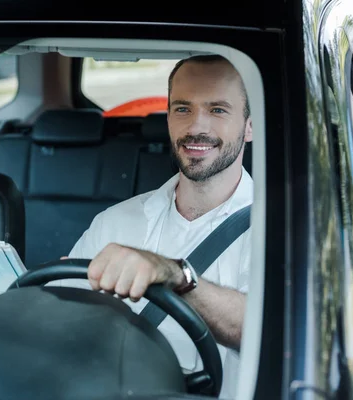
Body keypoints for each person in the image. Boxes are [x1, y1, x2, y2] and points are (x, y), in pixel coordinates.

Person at [59, 54, 253, 398]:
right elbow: (62, 312)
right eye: (182, 109)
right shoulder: (115, 221)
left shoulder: (280, 230)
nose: (197, 127)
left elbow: (267, 329)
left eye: (218, 110)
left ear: (250, 125)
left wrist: (178, 277)